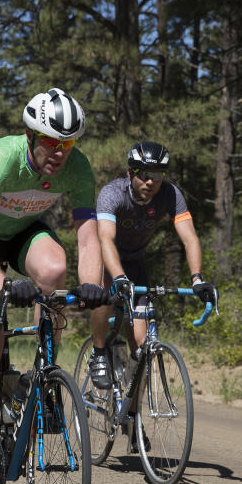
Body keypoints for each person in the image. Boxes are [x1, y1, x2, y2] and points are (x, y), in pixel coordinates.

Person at [0, 87, 108, 484]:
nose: (59, 153)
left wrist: (91, 286)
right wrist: (4, 285)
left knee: (55, 272)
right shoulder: (2, 158)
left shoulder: (78, 167)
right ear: (31, 135)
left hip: (22, 232)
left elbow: (88, 237)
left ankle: (44, 377)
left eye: (67, 144)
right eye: (51, 142)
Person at [85, 141, 218, 389]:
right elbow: (105, 239)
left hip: (135, 263)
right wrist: (119, 277)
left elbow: (190, 239)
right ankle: (99, 353)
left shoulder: (170, 194)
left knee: (141, 348)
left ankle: (130, 407)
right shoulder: (113, 194)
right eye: (144, 175)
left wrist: (197, 278)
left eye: (157, 175)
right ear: (130, 173)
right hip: (106, 259)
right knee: (103, 297)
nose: (150, 182)